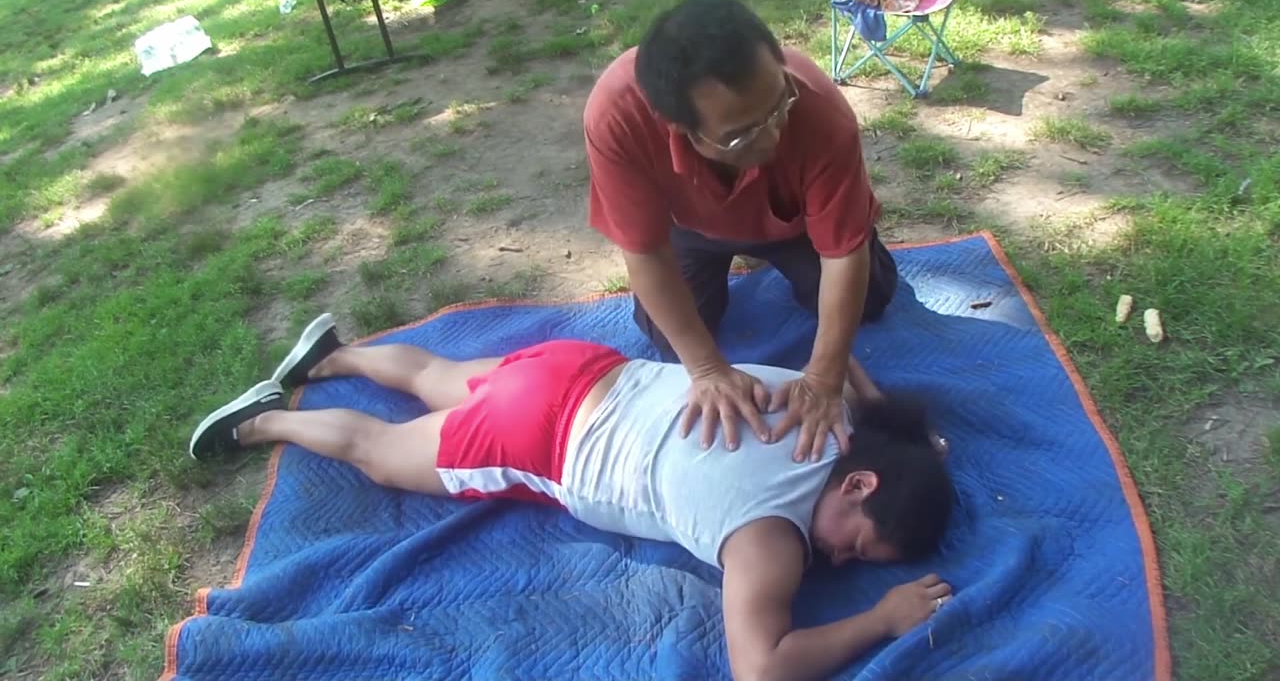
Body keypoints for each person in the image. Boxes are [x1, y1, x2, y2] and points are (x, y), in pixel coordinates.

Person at [191, 315, 955, 681]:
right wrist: (880, 619)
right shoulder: (771, 541)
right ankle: (264, 420)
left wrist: (920, 448)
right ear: (858, 484)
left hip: (581, 369)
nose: (840, 558)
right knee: (381, 455)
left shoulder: (827, 410)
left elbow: (849, 364)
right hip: (542, 440)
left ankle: (336, 353)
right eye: (855, 541)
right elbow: (764, 669)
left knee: (434, 375)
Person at [584, 0, 900, 463]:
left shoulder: (818, 109)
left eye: (778, 106)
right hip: (688, 227)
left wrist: (825, 376)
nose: (772, 137)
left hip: (794, 223)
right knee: (667, 335)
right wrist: (708, 369)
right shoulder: (617, 116)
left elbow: (841, 253)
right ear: (676, 125)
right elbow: (645, 252)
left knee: (869, 297)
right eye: (741, 134)